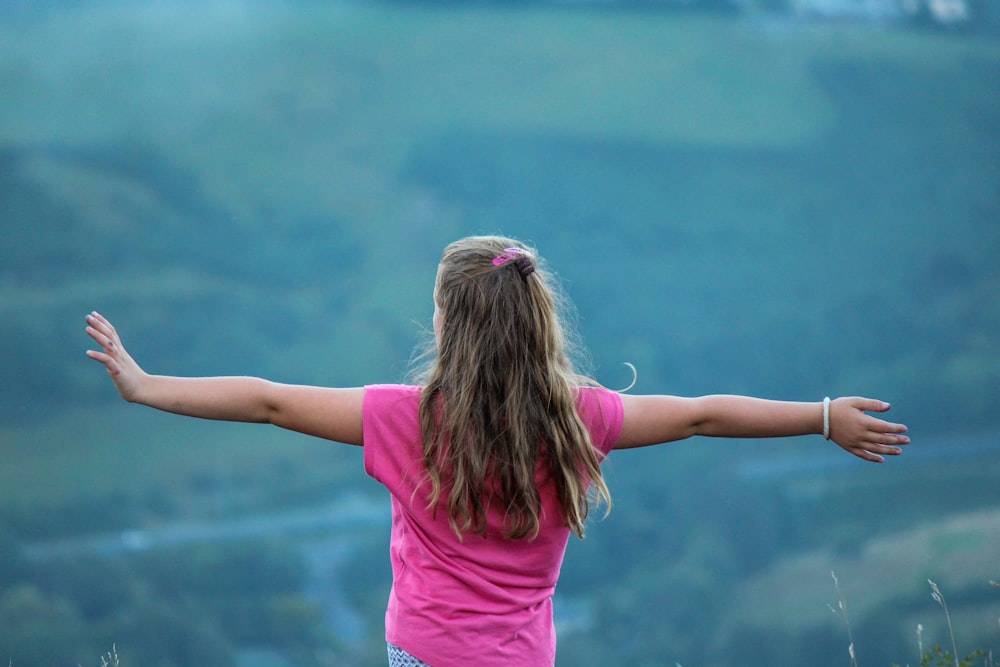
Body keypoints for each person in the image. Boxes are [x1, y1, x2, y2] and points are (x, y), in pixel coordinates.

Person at [85, 235, 909, 667]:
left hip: (420, 650)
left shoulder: (405, 417)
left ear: (448, 325)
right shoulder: (575, 417)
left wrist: (147, 384)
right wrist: (822, 414)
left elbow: (267, 401)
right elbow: (699, 415)